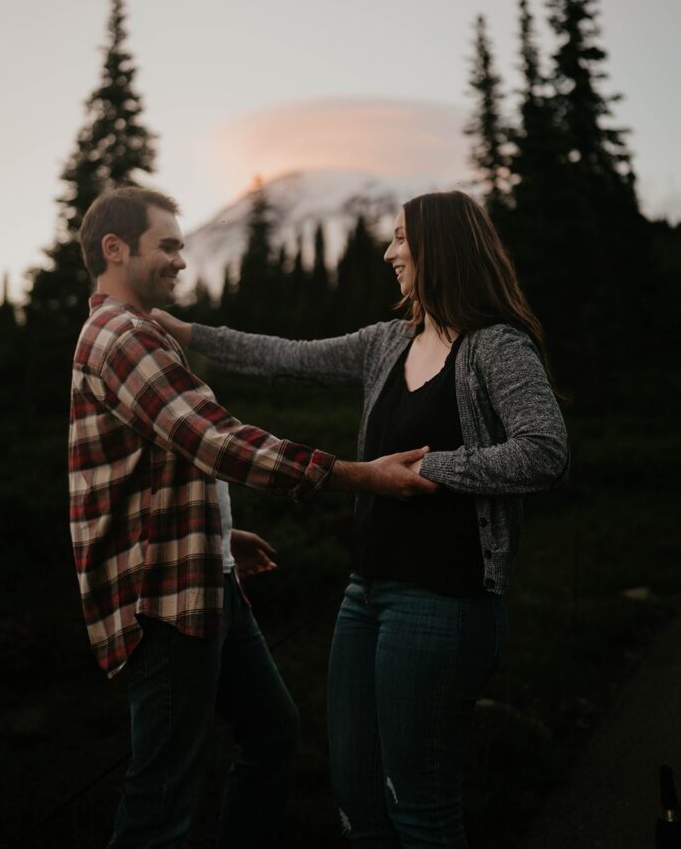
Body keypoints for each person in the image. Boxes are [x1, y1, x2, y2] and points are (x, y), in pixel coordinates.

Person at [153, 189, 570, 848]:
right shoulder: (386, 342)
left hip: (444, 604)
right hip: (364, 596)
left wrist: (427, 472)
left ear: (439, 246)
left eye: (401, 238)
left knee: (420, 811)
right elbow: (286, 357)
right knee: (358, 807)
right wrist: (182, 332)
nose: (388, 251)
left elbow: (543, 452)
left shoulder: (496, 347)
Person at [68, 185, 438, 849]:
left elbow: (160, 458)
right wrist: (358, 476)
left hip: (202, 576)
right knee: (160, 793)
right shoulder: (121, 335)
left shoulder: (137, 332)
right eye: (169, 246)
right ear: (114, 249)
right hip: (163, 600)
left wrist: (215, 528)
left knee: (270, 731)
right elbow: (215, 439)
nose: (182, 260)